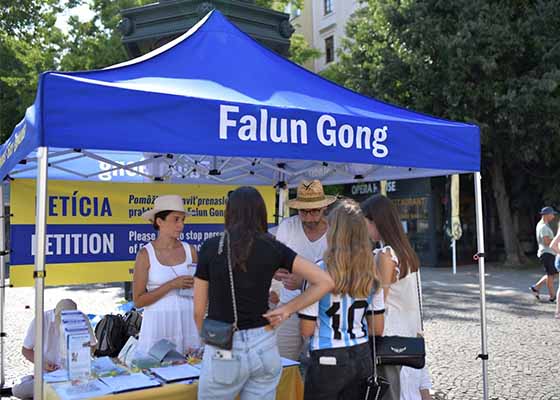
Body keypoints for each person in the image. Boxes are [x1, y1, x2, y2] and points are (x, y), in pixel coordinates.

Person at [193, 186, 334, 400]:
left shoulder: (212, 247)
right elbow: (324, 281)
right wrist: (288, 309)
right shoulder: (272, 246)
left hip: (224, 344)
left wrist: (208, 341)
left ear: (229, 212)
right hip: (264, 343)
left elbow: (198, 311)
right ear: (261, 212)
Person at [298, 199, 385, 400]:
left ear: (333, 231)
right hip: (361, 354)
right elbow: (377, 328)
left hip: (326, 356)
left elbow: (306, 330)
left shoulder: (317, 272)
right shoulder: (372, 272)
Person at [360, 194, 432, 400]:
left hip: (390, 337)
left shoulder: (386, 255)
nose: (363, 229)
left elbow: (379, 300)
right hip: (409, 334)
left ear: (375, 221)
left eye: (364, 222)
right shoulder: (405, 251)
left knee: (395, 391)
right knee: (415, 388)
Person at [273, 179, 335, 361]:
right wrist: (276, 272)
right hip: (289, 306)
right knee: (282, 363)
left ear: (324, 208)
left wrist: (303, 282)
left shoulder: (335, 230)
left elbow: (341, 272)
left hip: (325, 310)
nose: (309, 216)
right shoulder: (288, 226)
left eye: (314, 210)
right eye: (304, 211)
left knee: (320, 368)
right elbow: (273, 262)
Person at [133, 194, 200, 356]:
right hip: (158, 324)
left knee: (190, 372)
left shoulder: (190, 251)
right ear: (159, 221)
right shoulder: (145, 254)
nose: (181, 225)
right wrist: (171, 285)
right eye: (176, 219)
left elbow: (200, 290)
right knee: (158, 372)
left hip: (187, 322)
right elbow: (138, 300)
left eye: (183, 220)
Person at [13, 299, 95, 399]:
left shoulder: (82, 318)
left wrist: (81, 359)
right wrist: (43, 364)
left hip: (75, 375)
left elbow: (92, 345)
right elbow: (26, 350)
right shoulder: (41, 320)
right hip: (49, 377)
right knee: (18, 390)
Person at [530, 206, 558, 303]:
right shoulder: (543, 227)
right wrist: (556, 241)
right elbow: (546, 241)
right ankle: (552, 296)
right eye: (552, 214)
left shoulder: (542, 225)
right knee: (551, 275)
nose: (553, 216)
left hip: (547, 253)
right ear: (546, 215)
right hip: (547, 254)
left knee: (553, 274)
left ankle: (536, 287)